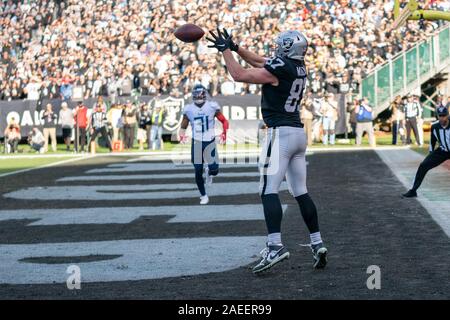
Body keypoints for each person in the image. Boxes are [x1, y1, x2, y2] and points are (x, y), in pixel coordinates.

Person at [207, 28, 327, 273]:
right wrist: (236, 46)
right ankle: (317, 243)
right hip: (297, 134)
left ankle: (275, 247)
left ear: (285, 48)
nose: (275, 49)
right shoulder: (299, 65)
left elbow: (239, 74)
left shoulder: (280, 70)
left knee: (268, 190)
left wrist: (226, 51)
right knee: (301, 192)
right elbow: (260, 61)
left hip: (280, 134)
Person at [178, 84, 229, 205]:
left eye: (200, 94)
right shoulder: (189, 109)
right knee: (197, 170)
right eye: (197, 94)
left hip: (209, 140)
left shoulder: (212, 106)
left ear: (204, 94)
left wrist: (224, 132)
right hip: (196, 141)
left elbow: (224, 120)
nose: (199, 96)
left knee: (215, 170)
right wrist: (181, 134)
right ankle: (203, 195)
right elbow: (184, 124)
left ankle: (209, 173)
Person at [403, 106, 450, 198]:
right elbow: (432, 140)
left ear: (448, 115)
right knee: (423, 165)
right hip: (442, 151)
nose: (442, 118)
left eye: (444, 115)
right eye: (440, 116)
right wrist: (431, 153)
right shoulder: (435, 127)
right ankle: (413, 190)